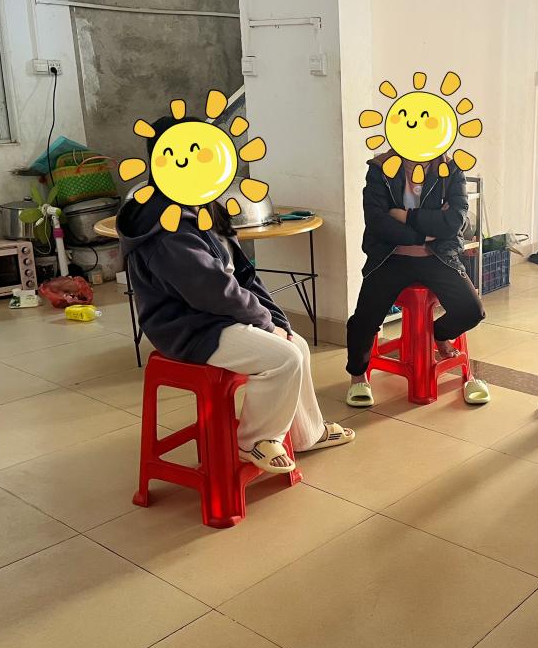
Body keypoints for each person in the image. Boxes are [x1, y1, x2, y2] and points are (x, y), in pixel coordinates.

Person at [117, 115, 354, 474]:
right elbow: (212, 290)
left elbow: (242, 274)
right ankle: (255, 441)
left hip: (216, 317)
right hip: (188, 328)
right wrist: (263, 322)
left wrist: (275, 320)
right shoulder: (166, 227)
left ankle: (308, 433)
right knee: (284, 358)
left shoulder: (203, 206)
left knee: (298, 345)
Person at [345, 152, 488, 406]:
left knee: (472, 310)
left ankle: (439, 335)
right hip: (390, 257)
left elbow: (454, 222)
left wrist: (404, 216)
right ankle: (358, 376)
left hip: (439, 255)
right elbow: (377, 221)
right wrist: (423, 234)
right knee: (364, 320)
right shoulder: (380, 167)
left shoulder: (451, 168)